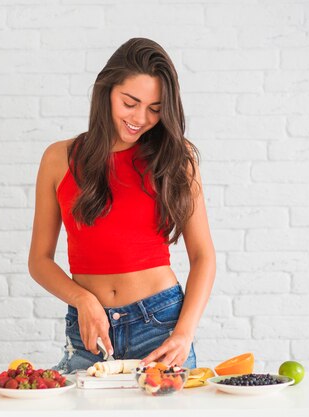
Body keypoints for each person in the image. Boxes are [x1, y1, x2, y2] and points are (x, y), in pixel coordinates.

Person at [28, 38, 215, 373]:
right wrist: (83, 299)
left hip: (161, 326)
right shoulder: (58, 159)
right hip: (90, 330)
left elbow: (203, 256)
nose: (140, 118)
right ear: (107, 91)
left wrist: (184, 333)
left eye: (155, 109)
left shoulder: (177, 158)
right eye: (130, 102)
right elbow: (39, 261)